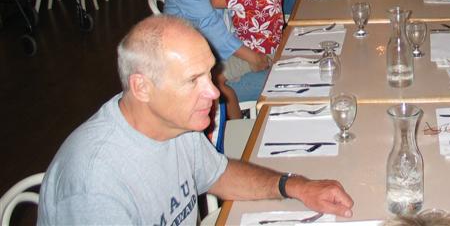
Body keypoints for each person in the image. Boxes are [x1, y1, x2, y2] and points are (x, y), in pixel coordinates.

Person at [38, 16, 354, 224]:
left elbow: (218, 174)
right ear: (142, 87)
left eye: (209, 74)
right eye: (193, 80)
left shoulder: (176, 123)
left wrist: (295, 186)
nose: (213, 92)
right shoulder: (94, 185)